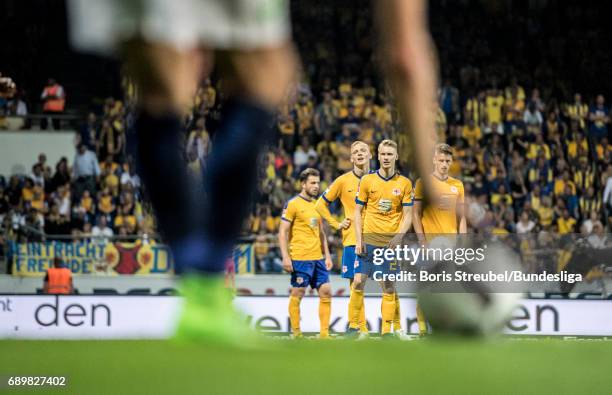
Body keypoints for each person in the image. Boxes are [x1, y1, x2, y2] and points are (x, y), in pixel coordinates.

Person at [349, 140, 413, 339]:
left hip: (390, 244)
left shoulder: (404, 183)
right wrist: (359, 240)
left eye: (389, 154)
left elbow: (408, 215)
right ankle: (353, 328)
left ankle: (387, 332)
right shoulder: (367, 181)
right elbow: (357, 212)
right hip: (368, 240)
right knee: (358, 281)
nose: (386, 158)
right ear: (378, 156)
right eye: (383, 154)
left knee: (389, 285)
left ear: (396, 157)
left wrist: (399, 237)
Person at [315, 141, 372, 339]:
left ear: (370, 155)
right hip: (352, 240)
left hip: (378, 238)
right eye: (355, 151)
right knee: (356, 285)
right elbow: (320, 205)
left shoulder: (380, 180)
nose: (359, 154)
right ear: (351, 158)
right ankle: (359, 328)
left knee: (387, 284)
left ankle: (390, 329)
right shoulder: (342, 181)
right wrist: (335, 223)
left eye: (363, 150)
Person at [413, 143, 467, 336]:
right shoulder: (423, 183)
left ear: (451, 162)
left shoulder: (457, 185)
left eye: (447, 161)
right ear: (434, 160)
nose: (444, 164)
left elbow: (461, 218)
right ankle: (421, 330)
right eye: (441, 160)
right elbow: (416, 214)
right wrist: (422, 241)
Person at [278, 168, 333, 339]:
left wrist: (328, 255)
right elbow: (282, 232)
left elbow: (321, 232)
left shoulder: (318, 205)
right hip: (300, 258)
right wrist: (286, 257)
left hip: (318, 258)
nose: (317, 186)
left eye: (318, 183)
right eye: (313, 183)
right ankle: (296, 334)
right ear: (303, 184)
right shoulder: (293, 204)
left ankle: (324, 334)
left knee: (326, 291)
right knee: (298, 293)